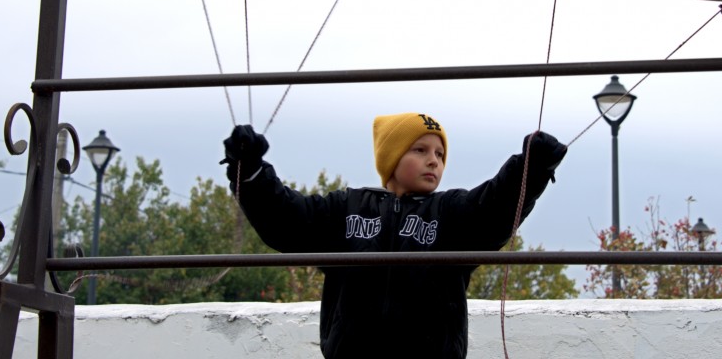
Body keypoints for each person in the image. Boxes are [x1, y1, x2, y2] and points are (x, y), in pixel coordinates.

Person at [221, 112, 567, 359]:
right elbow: (289, 221)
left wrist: (531, 168)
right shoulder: (347, 207)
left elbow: (492, 209)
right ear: (391, 156)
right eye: (420, 150)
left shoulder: (449, 212)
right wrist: (249, 170)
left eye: (440, 154)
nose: (434, 161)